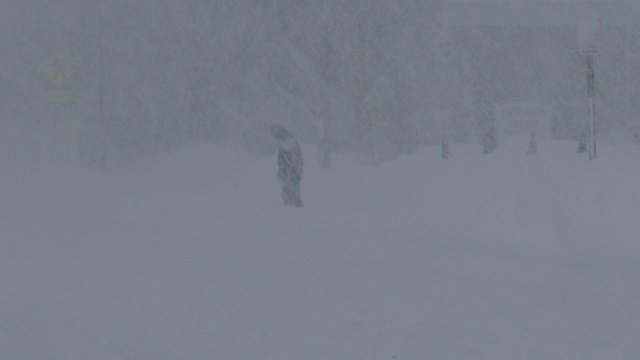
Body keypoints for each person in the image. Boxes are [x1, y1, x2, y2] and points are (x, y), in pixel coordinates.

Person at [271, 124, 304, 207]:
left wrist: (291, 169)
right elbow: (281, 159)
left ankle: (294, 202)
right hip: (289, 170)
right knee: (289, 185)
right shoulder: (285, 145)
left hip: (293, 170)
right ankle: (290, 202)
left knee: (292, 185)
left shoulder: (290, 144)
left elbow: (295, 160)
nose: (276, 140)